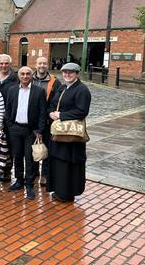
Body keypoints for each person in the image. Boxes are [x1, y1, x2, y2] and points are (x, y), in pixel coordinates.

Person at [48, 63, 91, 202]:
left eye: (70, 72)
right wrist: (51, 113)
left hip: (71, 136)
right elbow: (54, 103)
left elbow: (82, 111)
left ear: (77, 74)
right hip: (60, 133)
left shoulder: (82, 90)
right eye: (65, 72)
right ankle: (60, 190)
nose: (67, 75)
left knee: (68, 164)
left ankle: (67, 193)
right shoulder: (63, 87)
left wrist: (61, 115)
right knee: (59, 162)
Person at [5, 66, 47, 200]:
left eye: (28, 74)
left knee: (30, 158)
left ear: (31, 75)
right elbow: (8, 109)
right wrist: (10, 125)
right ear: (19, 76)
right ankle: (19, 180)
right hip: (15, 129)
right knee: (17, 156)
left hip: (31, 130)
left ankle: (29, 184)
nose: (25, 76)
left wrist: (40, 130)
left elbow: (42, 112)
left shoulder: (39, 91)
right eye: (22, 74)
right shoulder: (12, 90)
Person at [32, 56, 61, 186]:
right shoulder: (28, 78)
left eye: (44, 63)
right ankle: (34, 171)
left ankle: (44, 174)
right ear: (35, 65)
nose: (42, 65)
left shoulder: (54, 82)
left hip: (47, 120)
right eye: (40, 63)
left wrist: (50, 114)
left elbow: (56, 101)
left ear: (47, 65)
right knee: (33, 146)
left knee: (47, 148)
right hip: (32, 120)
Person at [0, 54, 19, 182]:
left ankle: (7, 171)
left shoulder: (16, 78)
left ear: (10, 64)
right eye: (1, 63)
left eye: (6, 63)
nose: (4, 66)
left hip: (10, 118)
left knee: (9, 145)